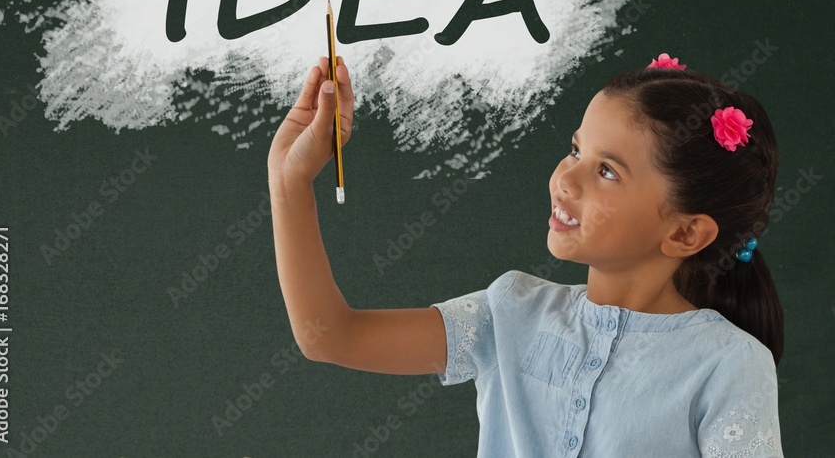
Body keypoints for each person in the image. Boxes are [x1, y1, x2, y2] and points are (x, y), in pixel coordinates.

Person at [268, 52, 785, 457]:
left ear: (687, 233)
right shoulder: (512, 312)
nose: (566, 179)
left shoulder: (728, 365)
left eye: (607, 171)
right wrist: (289, 180)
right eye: (577, 150)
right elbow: (330, 336)